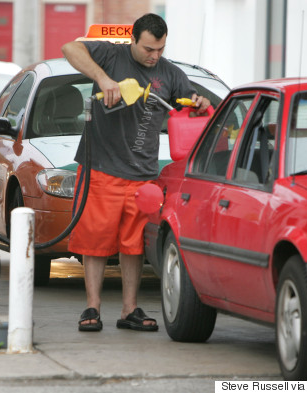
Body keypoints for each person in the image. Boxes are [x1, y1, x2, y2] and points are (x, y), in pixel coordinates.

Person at [62, 13, 210, 332]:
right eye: (148, 49)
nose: (154, 56)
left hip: (143, 173)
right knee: (95, 241)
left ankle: (130, 310)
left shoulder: (169, 73)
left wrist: (199, 103)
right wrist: (103, 79)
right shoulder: (110, 55)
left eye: (160, 49)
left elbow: (192, 103)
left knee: (134, 244)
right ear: (133, 40)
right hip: (102, 166)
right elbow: (70, 48)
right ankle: (92, 306)